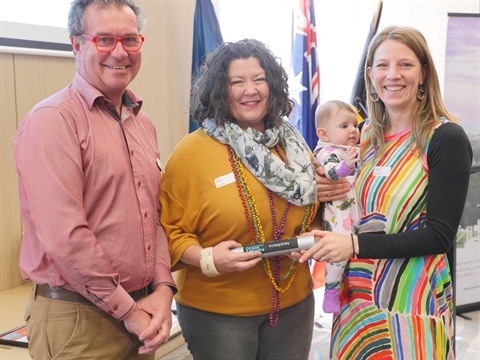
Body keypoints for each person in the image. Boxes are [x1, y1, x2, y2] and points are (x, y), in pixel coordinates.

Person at [296, 26, 473, 359]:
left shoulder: (445, 138)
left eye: (405, 65)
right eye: (382, 65)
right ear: (370, 74)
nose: (393, 75)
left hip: (412, 300)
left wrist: (351, 244)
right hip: (357, 296)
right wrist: (319, 229)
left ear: (423, 74)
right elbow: (349, 205)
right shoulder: (364, 137)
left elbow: (438, 236)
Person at [13, 1, 176, 359]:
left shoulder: (141, 123)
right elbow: (66, 239)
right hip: (79, 320)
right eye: (104, 39)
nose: (119, 52)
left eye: (130, 40)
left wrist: (163, 288)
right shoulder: (53, 120)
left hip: (142, 312)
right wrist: (129, 311)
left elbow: (155, 218)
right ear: (77, 44)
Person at [159, 38, 319, 360]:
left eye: (259, 79)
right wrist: (208, 259)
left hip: (295, 306)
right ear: (220, 89)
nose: (251, 90)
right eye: (237, 82)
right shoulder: (192, 153)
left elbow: (312, 208)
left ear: (272, 86)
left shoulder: (294, 147)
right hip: (219, 315)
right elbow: (167, 232)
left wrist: (311, 235)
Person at [313, 100, 360, 314]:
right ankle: (330, 291)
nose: (352, 130)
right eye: (344, 126)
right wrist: (347, 165)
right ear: (324, 134)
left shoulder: (348, 149)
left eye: (355, 125)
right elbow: (332, 172)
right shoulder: (328, 151)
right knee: (338, 255)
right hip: (338, 213)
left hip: (354, 208)